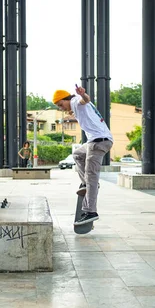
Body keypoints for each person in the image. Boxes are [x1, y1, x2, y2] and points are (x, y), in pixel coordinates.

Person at [53, 85, 113, 225]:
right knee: (78, 154)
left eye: (61, 104)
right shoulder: (75, 106)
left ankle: (90, 211)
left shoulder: (76, 101)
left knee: (91, 175)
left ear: (66, 99)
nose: (61, 108)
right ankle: (87, 183)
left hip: (98, 142)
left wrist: (84, 94)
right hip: (98, 140)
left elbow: (84, 100)